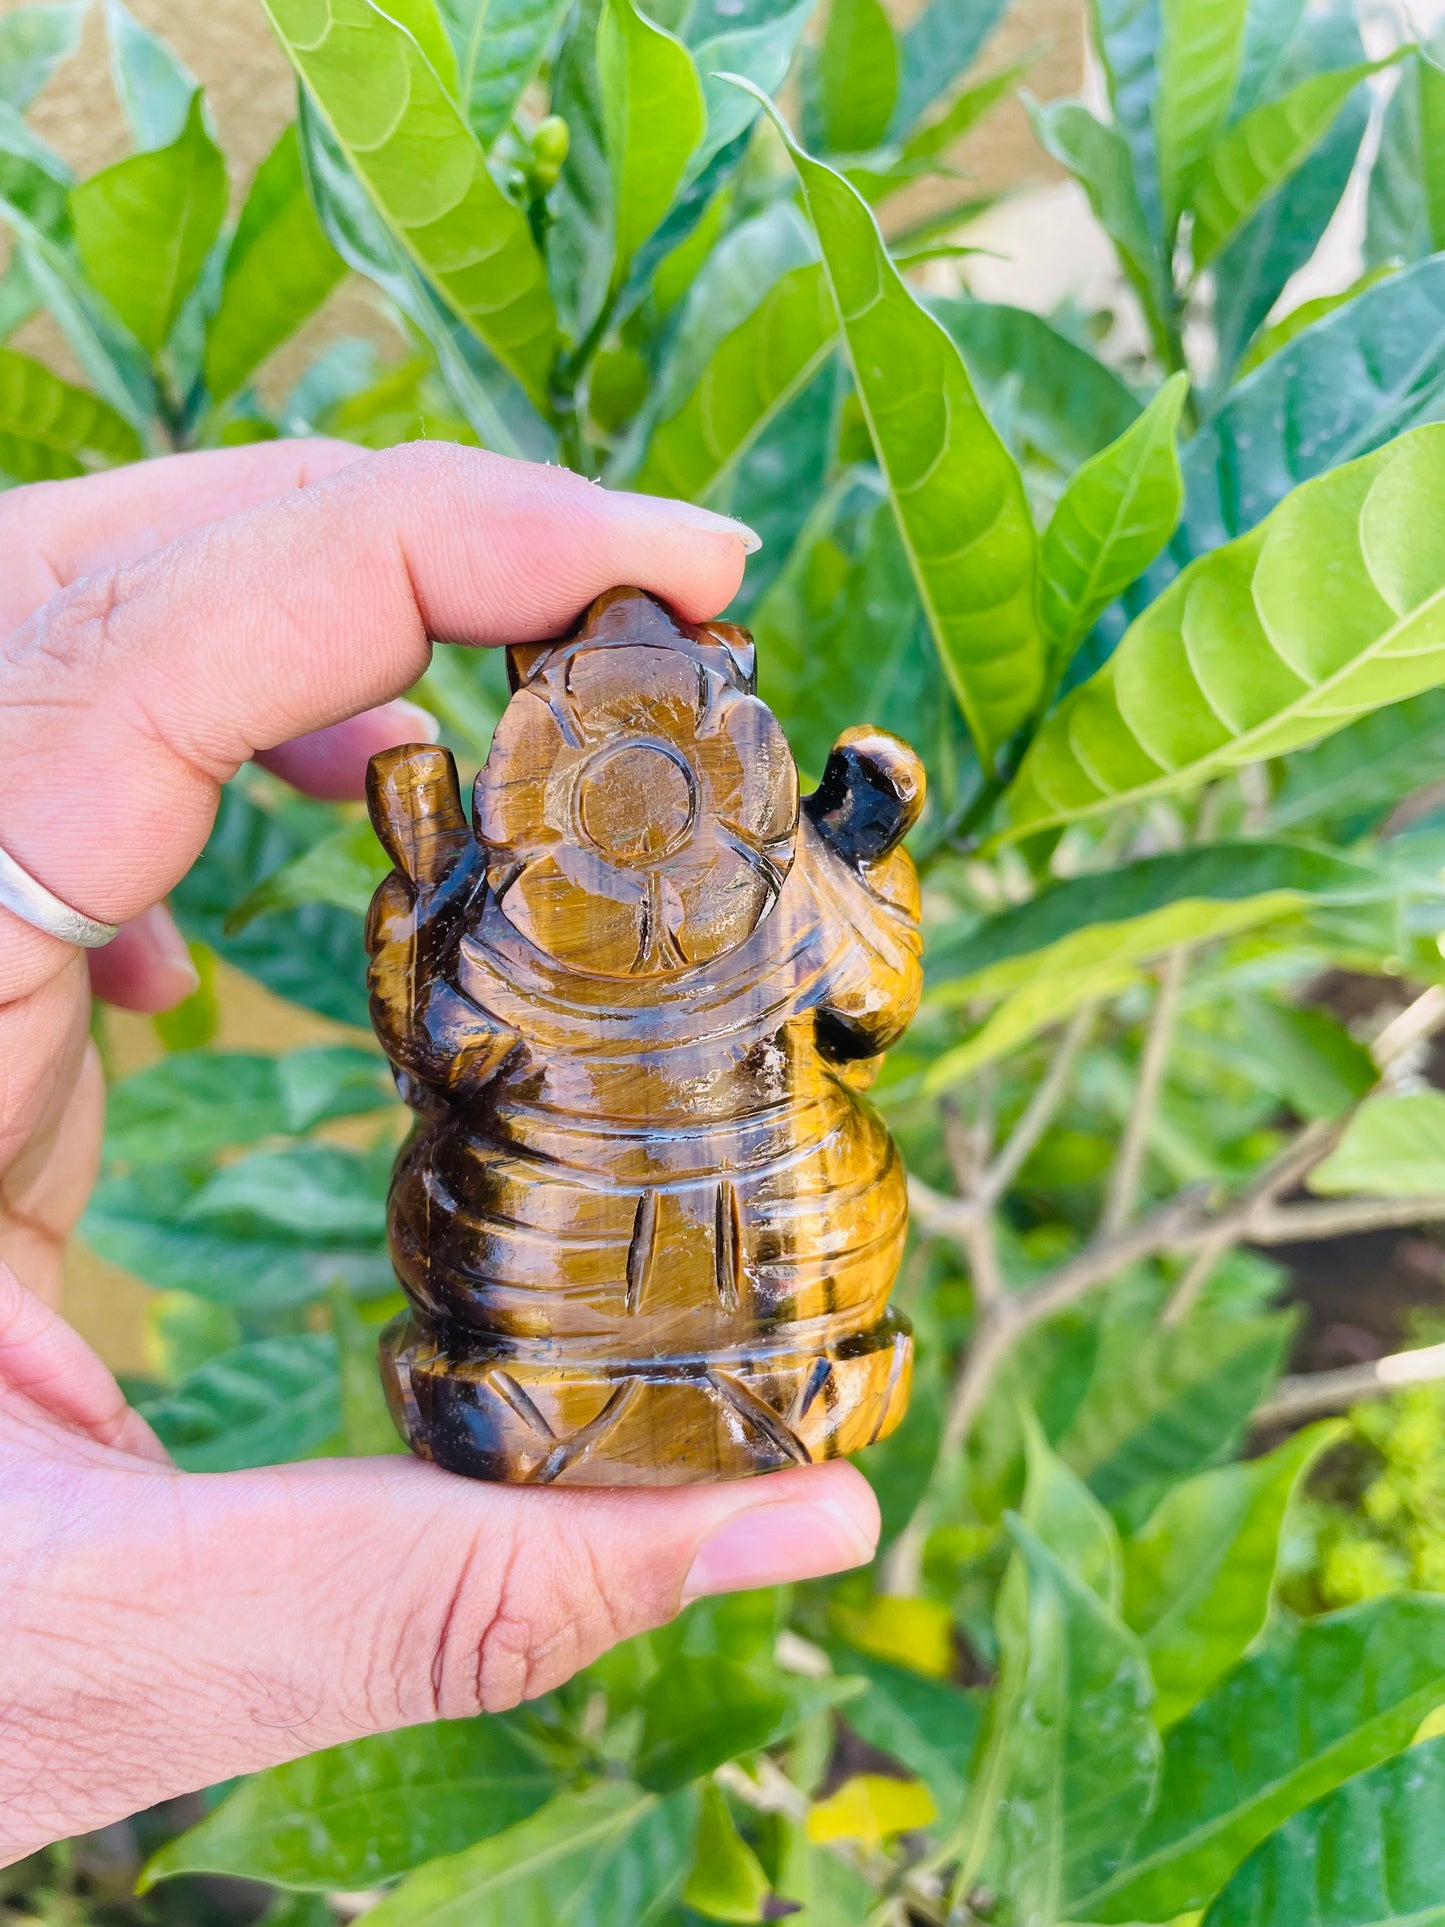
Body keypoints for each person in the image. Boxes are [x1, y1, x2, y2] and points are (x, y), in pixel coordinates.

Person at [0, 439, 881, 1865]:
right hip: (716, 1312)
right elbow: (866, 999)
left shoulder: (538, 918)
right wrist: (867, 848)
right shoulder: (662, 908)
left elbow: (442, 1049)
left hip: (651, 1309)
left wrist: (420, 904)